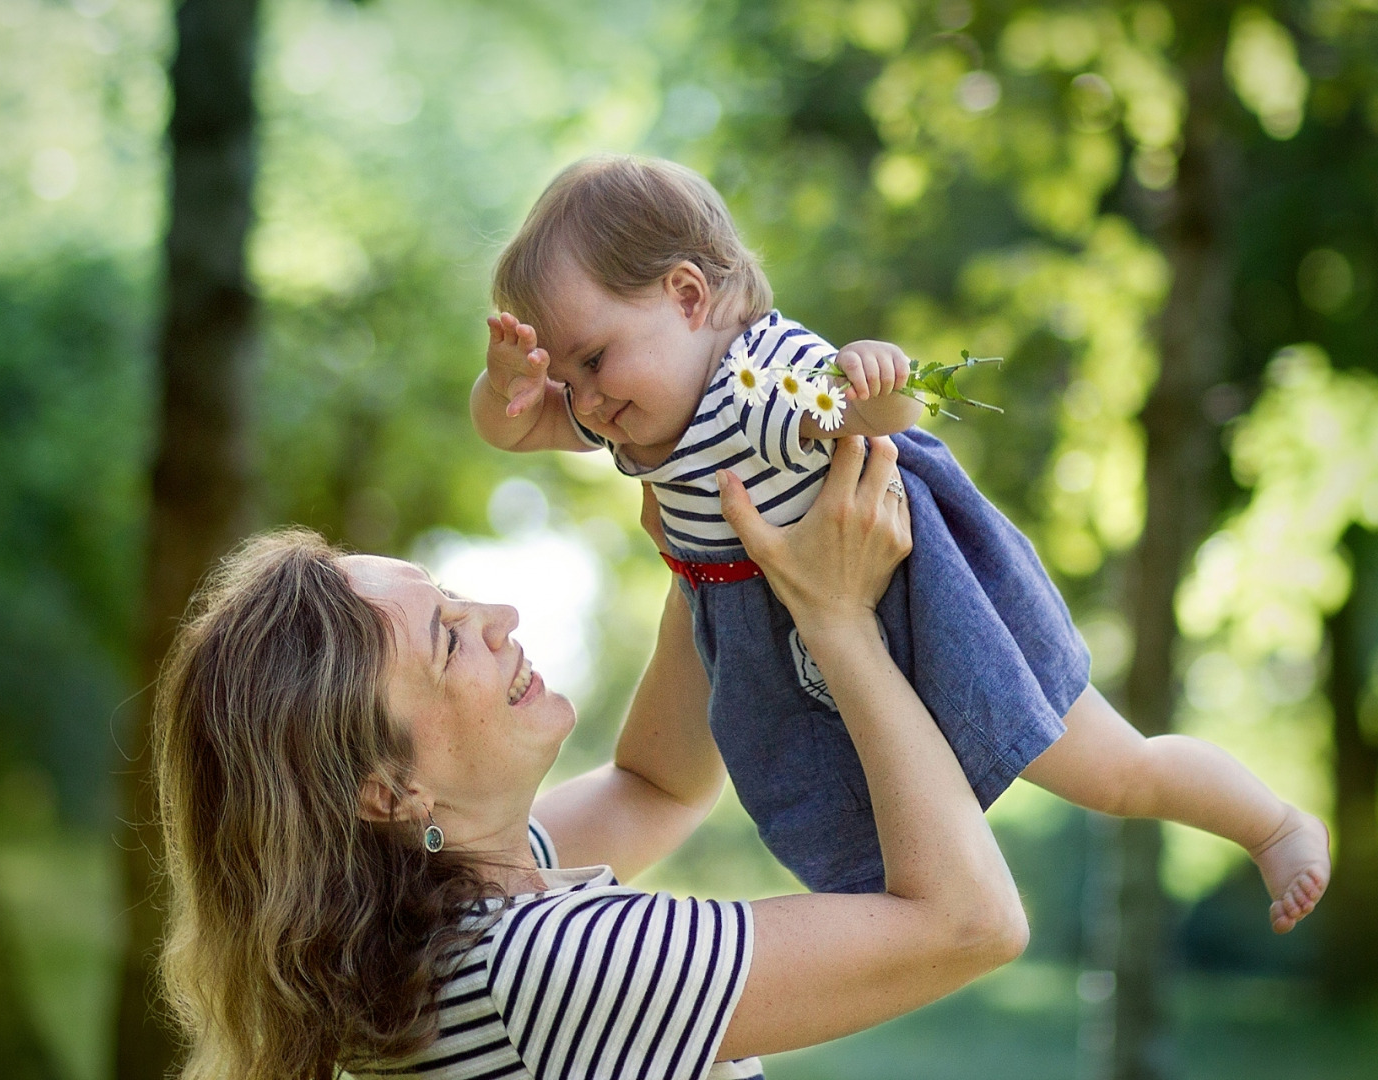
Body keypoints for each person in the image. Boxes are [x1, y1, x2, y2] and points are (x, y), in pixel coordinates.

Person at [471, 153, 1330, 932]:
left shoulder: (754, 383)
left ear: (689, 298)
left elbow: (879, 417)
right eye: (567, 376)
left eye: (592, 359)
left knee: (1113, 770)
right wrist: (506, 384)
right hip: (775, 619)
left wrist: (877, 378)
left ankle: (1273, 822)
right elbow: (512, 431)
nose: (582, 399)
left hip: (921, 598)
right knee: (859, 826)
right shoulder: (632, 402)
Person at [155, 436, 1028, 1080]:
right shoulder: (545, 965)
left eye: (456, 596)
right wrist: (838, 620)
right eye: (448, 641)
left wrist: (704, 539)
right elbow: (970, 925)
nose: (498, 615)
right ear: (387, 789)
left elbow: (657, 787)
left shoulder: (437, 929)